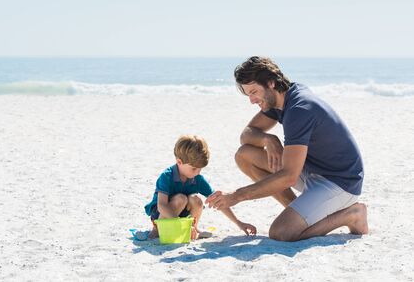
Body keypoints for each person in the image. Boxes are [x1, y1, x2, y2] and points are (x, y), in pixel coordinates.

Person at [206, 56, 368, 242]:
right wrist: (269, 138)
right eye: (247, 94)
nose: (251, 100)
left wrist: (236, 196)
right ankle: (298, 210)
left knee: (281, 232)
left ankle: (352, 214)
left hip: (339, 182)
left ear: (271, 83)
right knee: (245, 155)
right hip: (311, 170)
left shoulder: (299, 109)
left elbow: (289, 176)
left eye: (254, 92)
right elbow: (247, 135)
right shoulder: (282, 98)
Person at [144, 134, 256, 240]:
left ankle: (194, 228)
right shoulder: (167, 176)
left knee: (196, 199)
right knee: (181, 198)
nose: (197, 173)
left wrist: (239, 223)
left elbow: (218, 201)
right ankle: (157, 230)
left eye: (200, 169)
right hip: (161, 215)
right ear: (179, 161)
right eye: (194, 168)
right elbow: (162, 206)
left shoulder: (197, 179)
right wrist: (180, 225)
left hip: (181, 216)